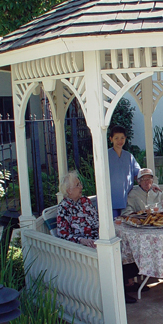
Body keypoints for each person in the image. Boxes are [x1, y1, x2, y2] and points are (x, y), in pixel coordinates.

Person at [56, 170, 142, 303]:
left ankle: (128, 282)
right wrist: (82, 240)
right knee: (111, 251)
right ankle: (118, 292)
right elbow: (62, 234)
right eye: (77, 185)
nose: (81, 187)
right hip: (84, 244)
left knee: (126, 243)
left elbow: (97, 219)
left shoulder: (84, 201)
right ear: (68, 191)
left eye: (80, 184)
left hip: (99, 237)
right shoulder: (64, 208)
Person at [108, 125, 141, 218]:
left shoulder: (129, 157)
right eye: (116, 138)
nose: (120, 141)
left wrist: (151, 184)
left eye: (122, 138)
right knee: (113, 227)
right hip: (110, 200)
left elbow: (138, 174)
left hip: (126, 200)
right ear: (111, 139)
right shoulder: (106, 156)